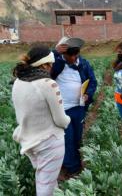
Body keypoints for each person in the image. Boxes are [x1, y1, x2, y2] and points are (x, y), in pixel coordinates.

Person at [12, 45, 70, 196]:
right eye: (50, 64)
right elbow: (61, 120)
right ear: (44, 64)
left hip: (29, 141)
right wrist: (69, 118)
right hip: (49, 142)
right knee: (45, 187)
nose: (51, 68)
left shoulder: (18, 81)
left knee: (48, 181)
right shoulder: (48, 84)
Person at [51, 37, 97, 176]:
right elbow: (39, 66)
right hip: (62, 109)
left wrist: (88, 94)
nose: (73, 58)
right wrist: (55, 52)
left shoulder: (83, 64)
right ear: (64, 55)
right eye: (69, 55)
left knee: (77, 137)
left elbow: (92, 82)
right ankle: (72, 168)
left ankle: (73, 162)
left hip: (79, 107)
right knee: (68, 138)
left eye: (75, 55)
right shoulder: (57, 64)